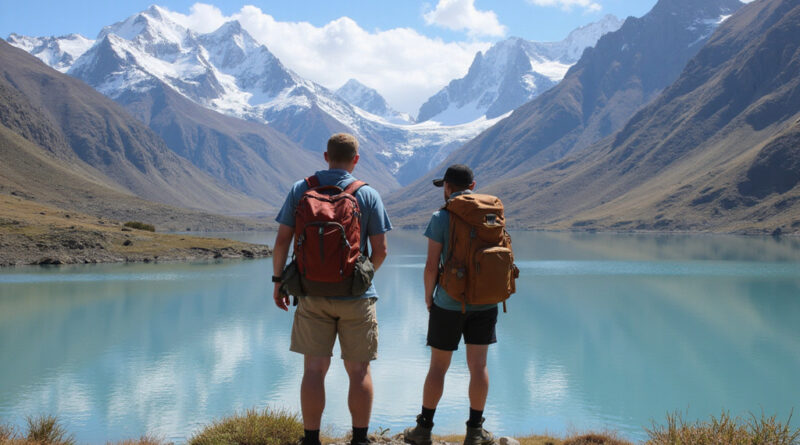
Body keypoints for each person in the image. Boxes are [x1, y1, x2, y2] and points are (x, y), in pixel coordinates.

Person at [272, 133, 392, 445]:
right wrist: (362, 278)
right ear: (356, 159)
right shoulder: (367, 194)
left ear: (326, 156)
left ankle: (311, 440)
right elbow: (380, 250)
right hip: (356, 298)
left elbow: (282, 241)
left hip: (311, 295)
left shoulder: (301, 189)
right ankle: (360, 439)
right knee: (359, 371)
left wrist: (278, 282)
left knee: (313, 370)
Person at [404, 164, 498, 445]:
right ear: (473, 184)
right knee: (478, 366)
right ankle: (475, 431)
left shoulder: (440, 217)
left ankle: (423, 430)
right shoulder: (491, 215)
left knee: (438, 367)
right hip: (484, 301)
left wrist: (428, 297)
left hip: (448, 302)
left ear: (447, 187)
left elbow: (432, 265)